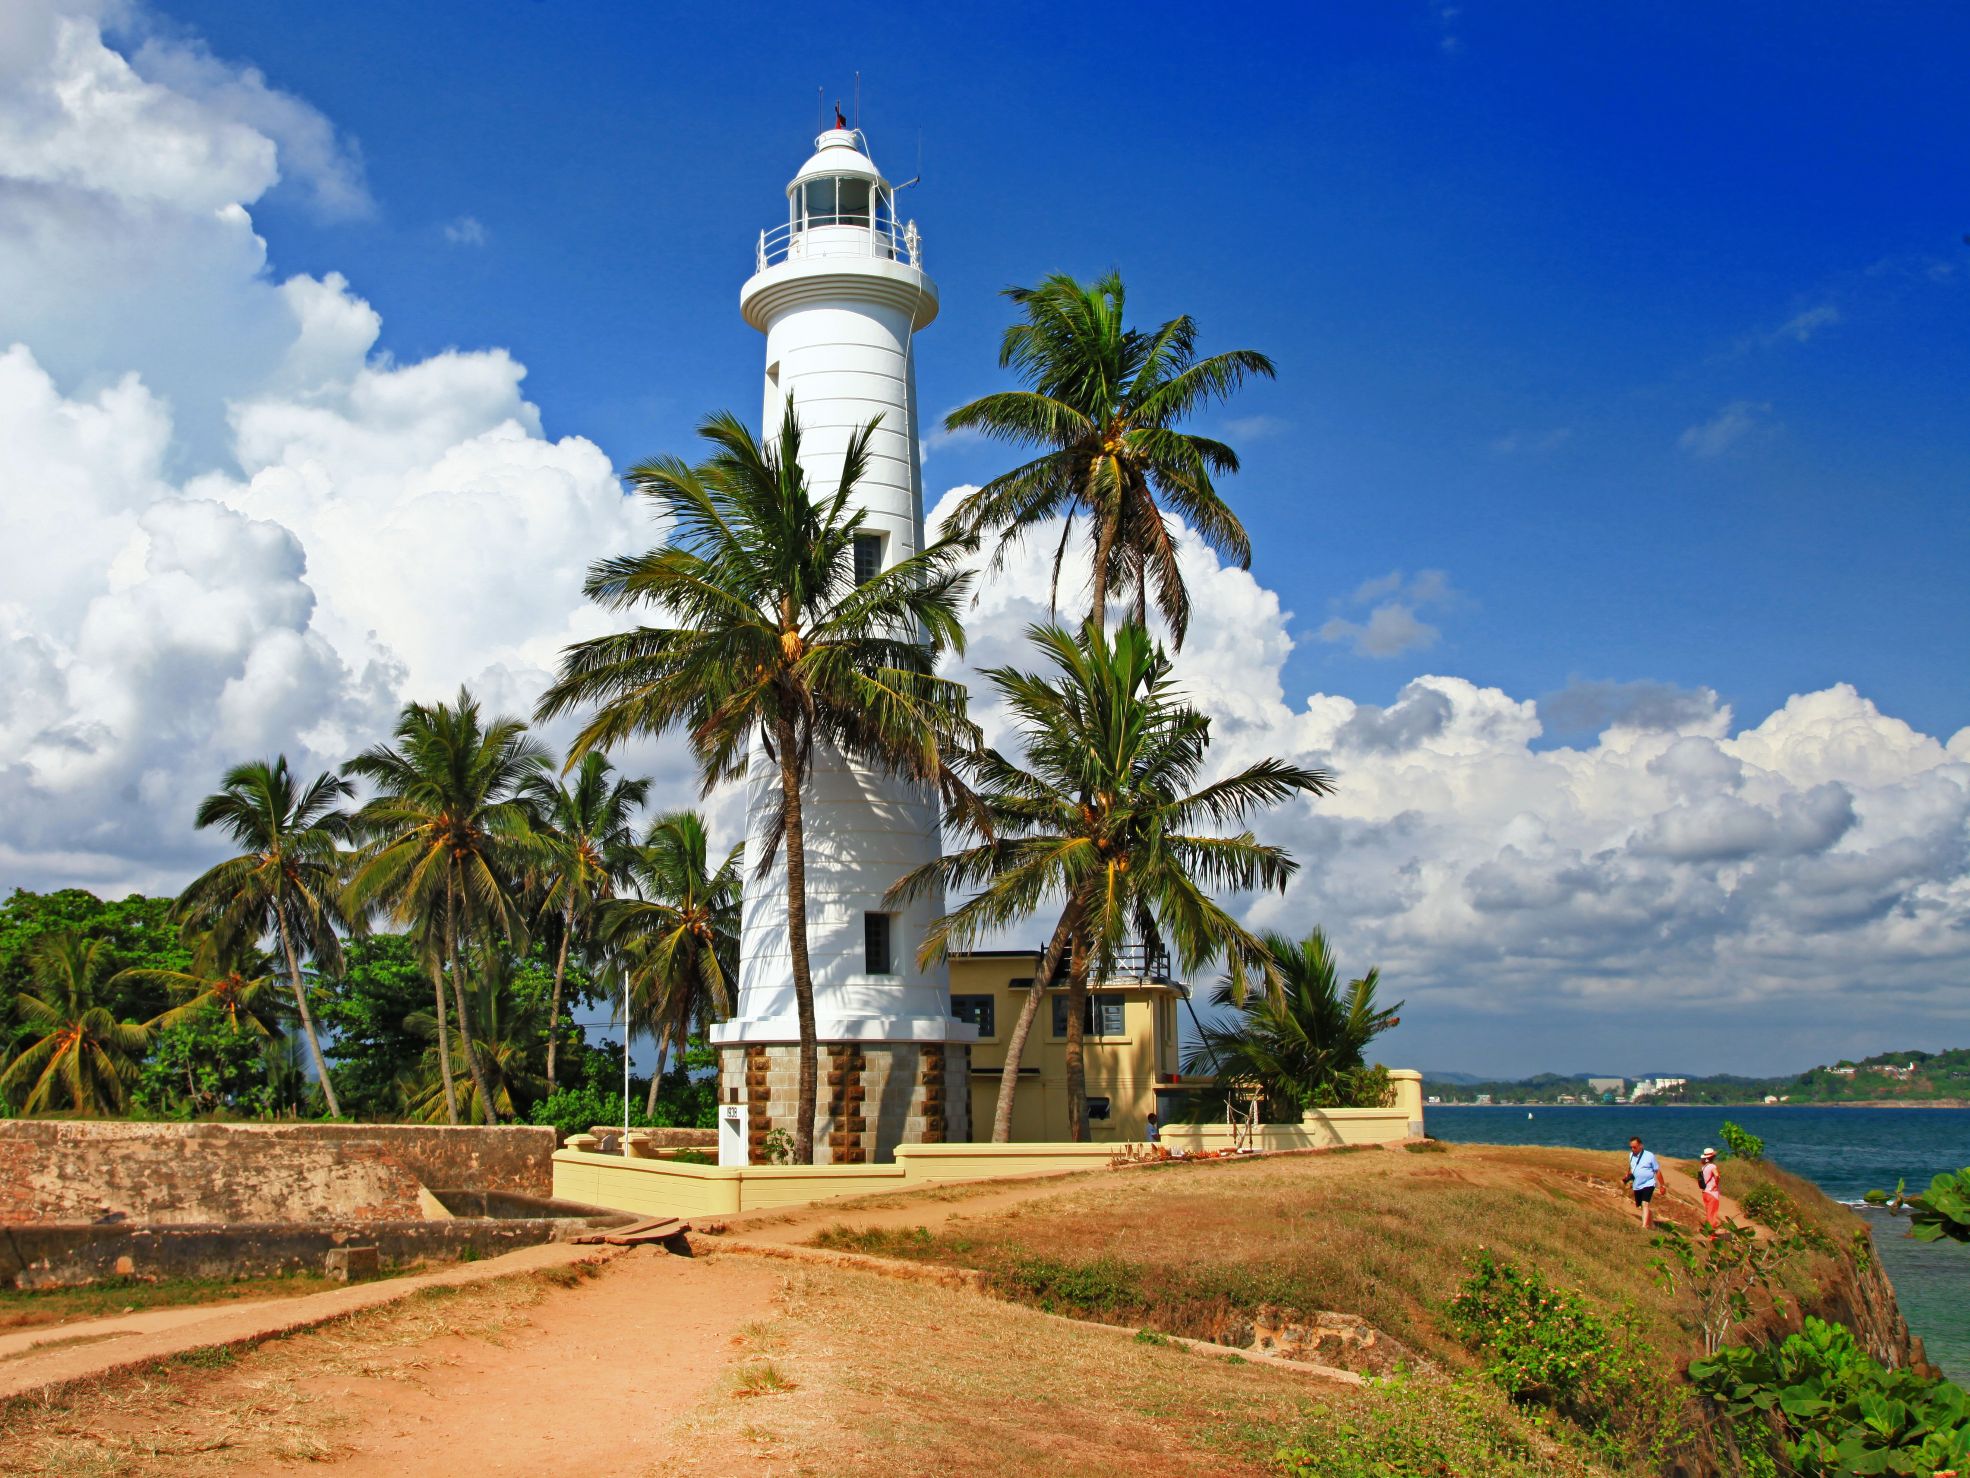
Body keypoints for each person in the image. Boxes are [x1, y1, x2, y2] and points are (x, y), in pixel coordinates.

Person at [1622, 1135, 1660, 1229]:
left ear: (1641, 1146)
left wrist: (1662, 1185)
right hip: (1637, 1184)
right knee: (1642, 1206)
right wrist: (1628, 1176)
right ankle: (1651, 1224)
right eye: (1631, 1147)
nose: (1632, 1149)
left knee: (1645, 1203)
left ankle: (1644, 1226)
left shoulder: (1649, 1156)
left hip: (1649, 1183)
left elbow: (1657, 1170)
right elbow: (1632, 1168)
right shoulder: (1631, 1155)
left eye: (1634, 1147)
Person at [1697, 1147, 1722, 1230]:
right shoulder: (1712, 1166)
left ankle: (1708, 1230)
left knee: (1708, 1212)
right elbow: (1717, 1175)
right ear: (1713, 1157)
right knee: (1712, 1213)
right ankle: (1711, 1234)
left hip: (1705, 1192)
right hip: (1712, 1193)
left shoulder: (1703, 1167)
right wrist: (1716, 1184)